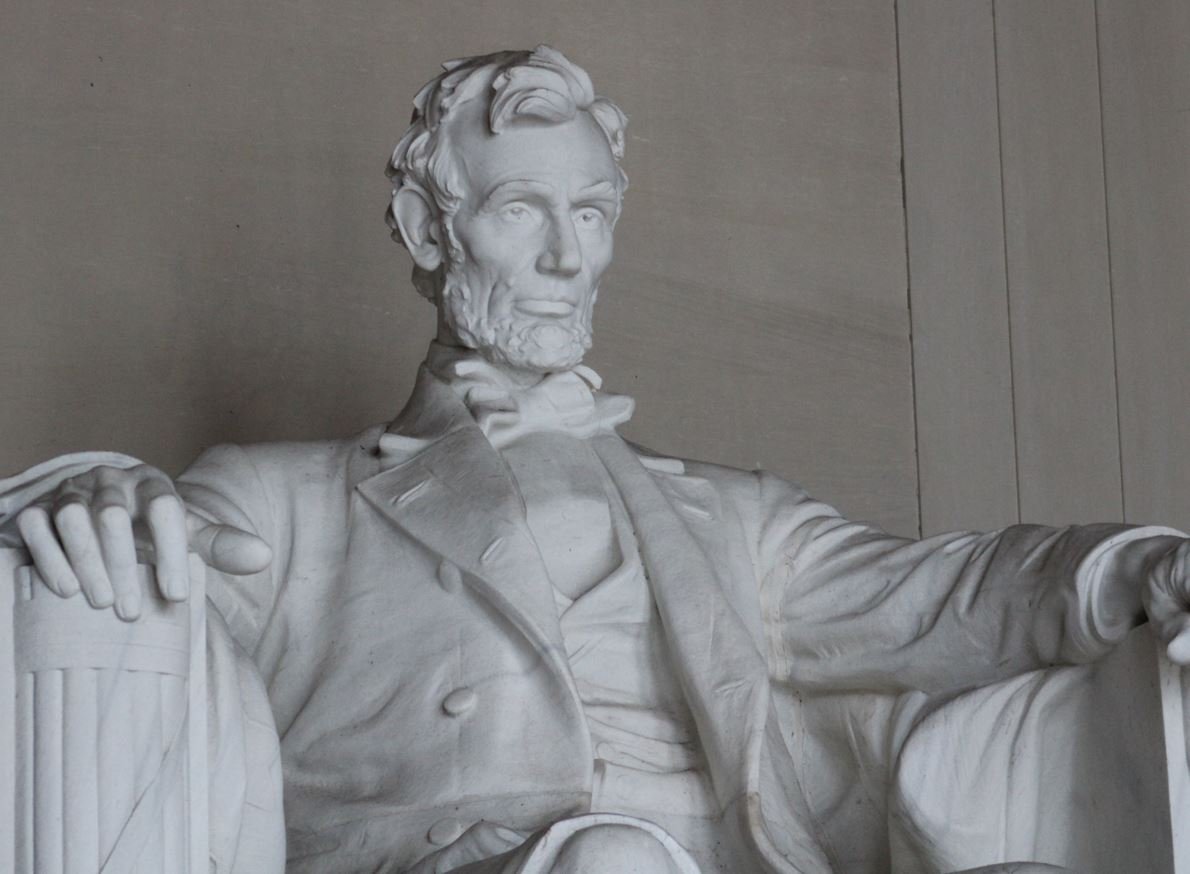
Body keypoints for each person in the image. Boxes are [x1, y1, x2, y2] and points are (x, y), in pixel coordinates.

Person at [2, 46, 1188, 874]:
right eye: (522, 210)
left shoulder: (733, 517)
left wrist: (1139, 571)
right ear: (431, 230)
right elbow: (136, 547)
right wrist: (93, 492)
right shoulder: (292, 501)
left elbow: (953, 593)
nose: (570, 257)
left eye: (594, 212)